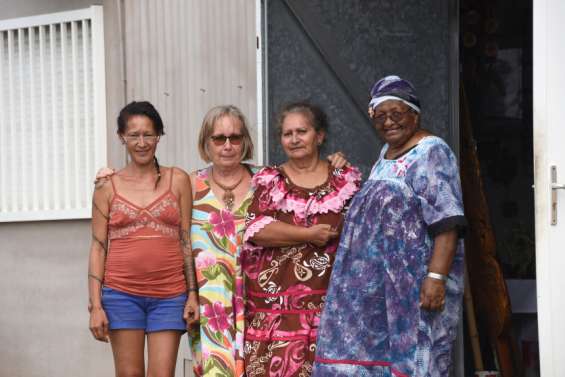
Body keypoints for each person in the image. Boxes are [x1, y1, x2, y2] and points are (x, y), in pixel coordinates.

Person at [312, 75, 467, 377]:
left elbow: (447, 222)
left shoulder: (432, 151)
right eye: (380, 115)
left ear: (415, 113)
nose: (389, 122)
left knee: (417, 361)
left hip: (415, 287)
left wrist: (436, 277)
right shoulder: (385, 155)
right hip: (377, 294)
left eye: (397, 113)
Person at [241, 102, 362, 377]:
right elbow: (257, 230)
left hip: (331, 310)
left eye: (302, 131)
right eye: (287, 133)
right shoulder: (272, 180)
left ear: (319, 136)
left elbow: (362, 235)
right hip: (277, 311)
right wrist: (309, 235)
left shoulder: (344, 180)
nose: (294, 139)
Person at [87, 101, 199, 377]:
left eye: (148, 134)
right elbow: (98, 247)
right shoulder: (106, 187)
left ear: (158, 136)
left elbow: (187, 240)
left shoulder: (178, 180)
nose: (141, 143)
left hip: (170, 296)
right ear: (121, 137)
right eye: (133, 135)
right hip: (121, 295)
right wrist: (95, 306)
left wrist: (193, 294)